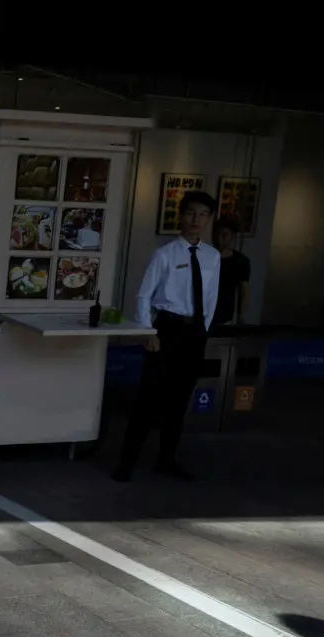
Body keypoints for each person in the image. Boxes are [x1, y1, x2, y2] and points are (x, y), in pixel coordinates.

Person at [113, 191, 221, 482]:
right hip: (167, 331)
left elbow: (210, 297)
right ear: (181, 216)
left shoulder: (213, 256)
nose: (196, 219)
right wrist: (147, 330)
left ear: (209, 219)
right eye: (190, 213)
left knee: (179, 400)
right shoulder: (165, 254)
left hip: (195, 333)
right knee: (148, 399)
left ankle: (166, 459)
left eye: (202, 214)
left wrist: (203, 330)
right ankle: (126, 463)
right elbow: (144, 294)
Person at [213, 215, 250, 326]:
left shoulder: (240, 261)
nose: (220, 238)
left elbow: (244, 292)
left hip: (225, 316)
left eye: (224, 235)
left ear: (232, 236)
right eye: (217, 234)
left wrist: (241, 316)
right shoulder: (204, 257)